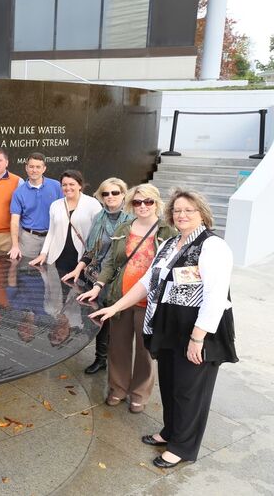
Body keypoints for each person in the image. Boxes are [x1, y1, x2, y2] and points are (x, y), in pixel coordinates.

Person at [90, 189, 236, 468]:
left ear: (202, 213)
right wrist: (116, 307)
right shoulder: (170, 244)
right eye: (177, 210)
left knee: (189, 391)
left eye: (188, 210)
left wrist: (197, 339)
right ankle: (170, 432)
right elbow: (147, 281)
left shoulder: (213, 246)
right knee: (170, 385)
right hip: (169, 325)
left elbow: (216, 298)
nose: (181, 215)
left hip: (198, 330)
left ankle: (182, 446)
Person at [79, 184, 176, 414]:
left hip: (148, 303)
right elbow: (112, 261)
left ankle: (139, 394)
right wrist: (98, 285)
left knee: (145, 351)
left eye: (148, 201)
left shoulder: (167, 231)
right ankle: (118, 389)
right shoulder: (125, 227)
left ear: (156, 202)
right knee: (118, 347)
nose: (142, 206)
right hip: (119, 298)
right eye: (137, 202)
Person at [61, 177, 133, 374]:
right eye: (106, 193)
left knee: (117, 323)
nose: (110, 197)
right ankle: (101, 359)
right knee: (99, 319)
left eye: (115, 193)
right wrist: (78, 268)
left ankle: (119, 366)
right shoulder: (99, 217)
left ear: (123, 194)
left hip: (120, 279)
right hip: (95, 276)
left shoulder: (132, 220)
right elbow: (91, 249)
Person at [29, 170, 101, 273]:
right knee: (59, 286)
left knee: (81, 287)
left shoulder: (92, 204)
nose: (68, 188)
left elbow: (99, 233)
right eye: (64, 185)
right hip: (59, 257)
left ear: (80, 185)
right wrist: (44, 253)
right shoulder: (55, 205)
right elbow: (51, 232)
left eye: (72, 184)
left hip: (83, 257)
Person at [9, 153, 63, 260]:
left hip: (52, 236)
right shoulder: (18, 192)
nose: (34, 170)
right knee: (25, 270)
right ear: (26, 168)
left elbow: (64, 211)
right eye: (31, 167)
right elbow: (14, 221)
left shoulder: (56, 186)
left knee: (52, 271)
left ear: (44, 169)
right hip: (29, 238)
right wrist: (15, 246)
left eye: (38, 167)